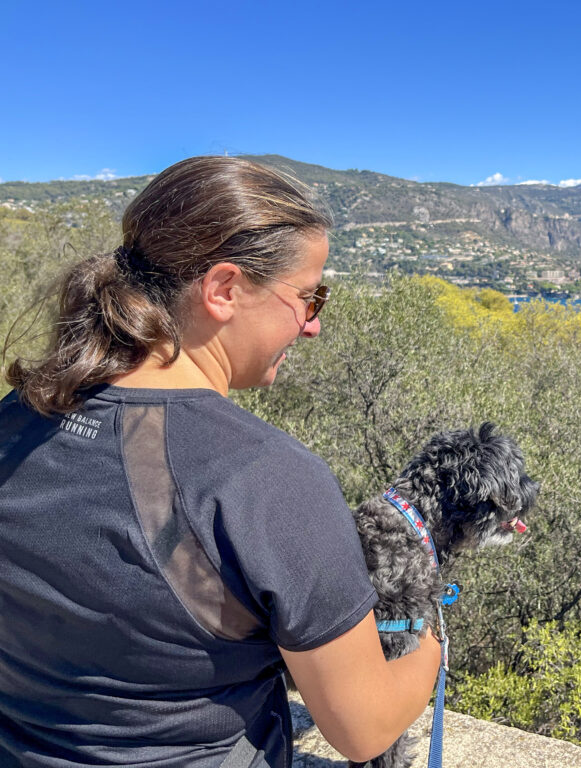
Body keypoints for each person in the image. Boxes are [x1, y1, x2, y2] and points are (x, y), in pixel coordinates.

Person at [0, 156, 441, 767]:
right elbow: (363, 728)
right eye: (310, 298)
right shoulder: (265, 479)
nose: (312, 326)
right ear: (224, 289)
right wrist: (431, 647)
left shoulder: (16, 422)